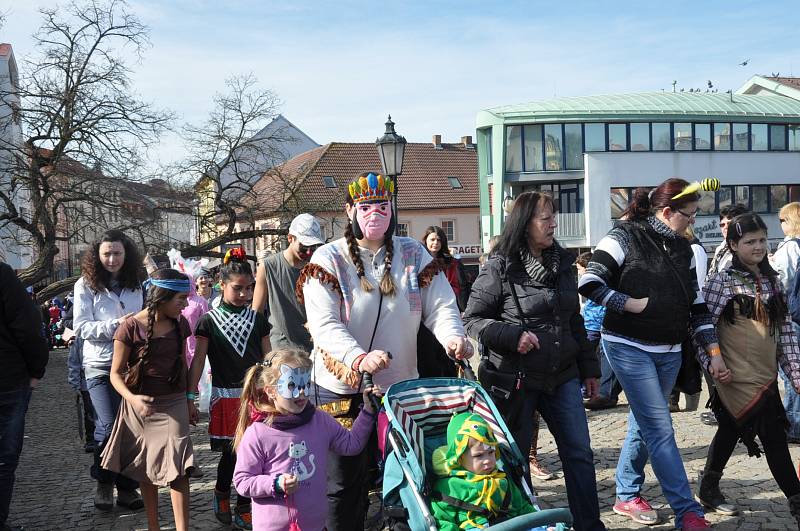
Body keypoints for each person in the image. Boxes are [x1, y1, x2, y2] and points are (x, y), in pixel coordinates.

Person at [299, 172, 471, 531]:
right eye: (365, 207)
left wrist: (453, 338)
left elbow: (440, 305)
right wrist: (358, 357)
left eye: (382, 206)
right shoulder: (327, 258)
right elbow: (324, 324)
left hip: (400, 386)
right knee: (344, 485)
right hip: (341, 387)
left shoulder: (413, 252)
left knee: (404, 479)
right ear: (349, 210)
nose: (374, 213)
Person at [579, 178, 721, 531]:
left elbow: (697, 306)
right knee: (660, 427)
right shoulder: (623, 236)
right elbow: (589, 283)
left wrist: (714, 351)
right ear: (667, 211)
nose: (693, 220)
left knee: (643, 423)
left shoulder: (685, 250)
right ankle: (687, 511)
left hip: (670, 350)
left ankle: (626, 494)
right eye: (688, 214)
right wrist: (627, 303)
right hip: (627, 346)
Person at [464, 191, 605, 531]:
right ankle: (525, 524)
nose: (553, 223)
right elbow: (472, 319)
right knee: (515, 459)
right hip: (515, 379)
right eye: (545, 218)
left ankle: (589, 525)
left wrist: (590, 369)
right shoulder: (500, 265)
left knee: (580, 453)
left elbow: (574, 321)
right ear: (524, 224)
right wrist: (513, 336)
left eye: (553, 216)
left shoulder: (565, 264)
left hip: (563, 375)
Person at [696, 213, 800, 526]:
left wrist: (795, 374)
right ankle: (797, 501)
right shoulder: (720, 282)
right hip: (732, 376)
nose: (758, 247)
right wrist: (713, 365)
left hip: (765, 375)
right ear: (732, 244)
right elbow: (701, 329)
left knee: (731, 429)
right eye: (749, 241)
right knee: (773, 437)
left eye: (761, 240)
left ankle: (709, 486)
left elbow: (785, 334)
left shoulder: (774, 280)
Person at [232, 349, 377, 531]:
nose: (301, 392)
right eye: (292, 386)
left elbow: (351, 444)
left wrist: (368, 411)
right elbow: (243, 481)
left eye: (306, 383)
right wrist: (275, 484)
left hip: (315, 526)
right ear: (271, 391)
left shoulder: (321, 420)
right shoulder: (258, 433)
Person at [100, 268, 196, 531]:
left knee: (179, 468)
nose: (186, 305)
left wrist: (189, 398)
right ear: (162, 297)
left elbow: (184, 365)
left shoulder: (181, 324)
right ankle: (154, 526)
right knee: (147, 469)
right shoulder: (129, 327)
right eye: (181, 299)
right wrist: (133, 399)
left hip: (174, 401)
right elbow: (115, 374)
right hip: (141, 406)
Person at [188, 248, 271, 530]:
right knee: (232, 453)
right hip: (225, 396)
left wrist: (274, 388)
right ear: (221, 285)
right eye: (238, 289)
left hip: (256, 397)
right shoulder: (208, 322)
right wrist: (190, 395)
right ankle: (222, 491)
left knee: (257, 452)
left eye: (250, 288)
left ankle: (245, 504)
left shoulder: (258, 320)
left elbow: (268, 358)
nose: (246, 295)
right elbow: (199, 359)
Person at [73, 229, 145, 511]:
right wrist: (118, 326)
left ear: (126, 255)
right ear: (97, 255)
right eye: (107, 254)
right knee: (108, 424)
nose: (112, 259)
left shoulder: (138, 284)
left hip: (131, 366)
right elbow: (81, 327)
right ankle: (104, 483)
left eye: (117, 253)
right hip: (100, 365)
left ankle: (127, 488)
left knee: (131, 427)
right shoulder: (85, 285)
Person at [0, 262, 49, 531]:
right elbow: (28, 327)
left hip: (7, 377)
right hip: (7, 380)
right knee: (4, 457)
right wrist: (36, 369)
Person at [430, 412, 538, 531]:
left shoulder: (501, 479)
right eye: (478, 455)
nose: (487, 460)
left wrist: (541, 523)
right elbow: (442, 522)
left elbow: (522, 508)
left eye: (491, 452)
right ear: (459, 457)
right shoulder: (449, 487)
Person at [252, 213, 324, 351]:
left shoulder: (318, 267)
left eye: (313, 247)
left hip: (313, 348)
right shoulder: (268, 266)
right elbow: (257, 314)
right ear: (290, 238)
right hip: (281, 350)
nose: (309, 252)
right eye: (304, 246)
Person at [576, 252, 621, 411]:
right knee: (594, 358)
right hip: (591, 324)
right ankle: (594, 391)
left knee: (600, 358)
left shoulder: (598, 279)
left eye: (580, 268)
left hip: (597, 325)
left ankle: (600, 393)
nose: (579, 272)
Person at [771, 201, 800, 444]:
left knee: (792, 371)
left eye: (782, 220)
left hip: (793, 315)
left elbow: (783, 282)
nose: (780, 224)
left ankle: (794, 425)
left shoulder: (791, 247)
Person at [64, 303, 96, 453]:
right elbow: (74, 362)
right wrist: (75, 384)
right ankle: (91, 438)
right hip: (86, 381)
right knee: (90, 411)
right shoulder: (79, 339)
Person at [422, 225, 470, 311]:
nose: (436, 242)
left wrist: (457, 258)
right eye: (432, 240)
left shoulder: (450, 261)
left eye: (439, 240)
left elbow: (461, 283)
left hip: (448, 305)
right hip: (425, 306)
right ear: (426, 240)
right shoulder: (420, 261)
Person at [706, 204, 749, 279]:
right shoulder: (720, 249)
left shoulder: (750, 246)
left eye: (729, 223)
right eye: (722, 225)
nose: (725, 228)